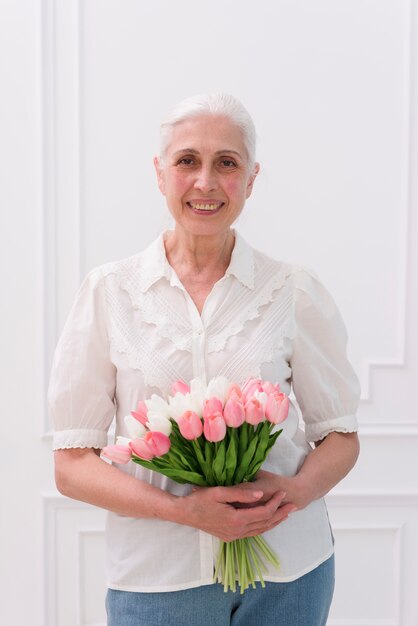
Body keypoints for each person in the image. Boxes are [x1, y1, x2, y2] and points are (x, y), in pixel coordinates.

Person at [49, 93, 360, 626]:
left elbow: (340, 436)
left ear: (252, 178)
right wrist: (180, 512)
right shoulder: (107, 293)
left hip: (289, 575)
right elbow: (71, 464)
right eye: (188, 160)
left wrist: (297, 490)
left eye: (227, 163)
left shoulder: (293, 291)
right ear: (160, 172)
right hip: (158, 583)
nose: (206, 182)